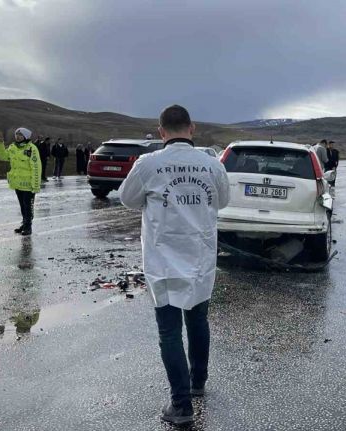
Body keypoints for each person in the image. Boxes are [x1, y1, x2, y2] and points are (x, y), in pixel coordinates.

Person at [120, 105, 230, 426]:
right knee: (198, 320)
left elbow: (128, 198)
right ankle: (197, 382)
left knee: (169, 331)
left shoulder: (148, 164)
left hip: (163, 260)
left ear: (161, 132)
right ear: (191, 128)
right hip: (200, 258)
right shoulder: (212, 165)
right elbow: (223, 201)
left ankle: (181, 405)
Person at [0, 128, 42, 236]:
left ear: (26, 136)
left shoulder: (31, 148)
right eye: (17, 134)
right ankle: (24, 224)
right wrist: (0, 143)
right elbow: (2, 156)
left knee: (28, 206)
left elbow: (36, 167)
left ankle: (28, 226)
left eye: (20, 135)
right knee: (22, 206)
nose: (18, 136)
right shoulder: (13, 147)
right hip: (17, 184)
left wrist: (36, 185)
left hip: (28, 185)